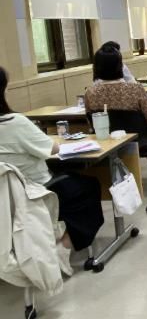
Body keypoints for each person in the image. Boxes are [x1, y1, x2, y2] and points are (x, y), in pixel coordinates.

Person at [0, 66, 104, 261]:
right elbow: (53, 149)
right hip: (38, 192)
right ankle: (63, 248)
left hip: (5, 202)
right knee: (89, 187)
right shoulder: (15, 123)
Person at [85, 46, 147, 183]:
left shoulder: (90, 93)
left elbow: (90, 120)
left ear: (96, 67)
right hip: (141, 141)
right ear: (120, 66)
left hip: (108, 142)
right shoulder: (135, 89)